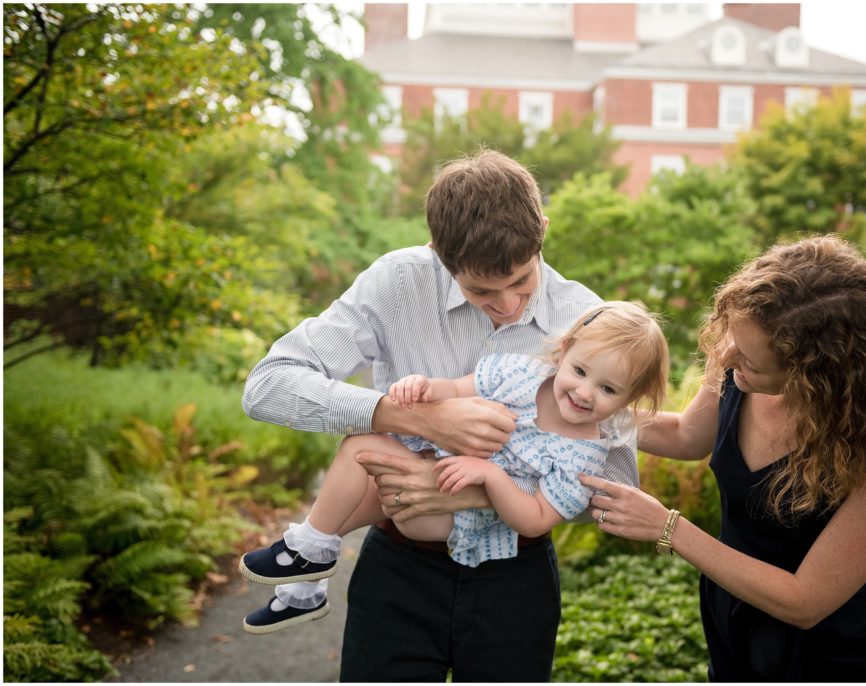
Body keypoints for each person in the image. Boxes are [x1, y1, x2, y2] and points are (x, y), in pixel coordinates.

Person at [240, 150, 640, 681]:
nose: (507, 305)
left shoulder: (588, 319)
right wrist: (416, 420)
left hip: (516, 580)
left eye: (521, 281)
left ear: (542, 229)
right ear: (438, 250)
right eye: (480, 290)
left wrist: (482, 491)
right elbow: (267, 386)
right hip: (399, 570)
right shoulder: (396, 282)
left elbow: (615, 480)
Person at [581, 235, 866, 681]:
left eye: (748, 359)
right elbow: (688, 436)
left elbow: (805, 600)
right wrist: (588, 413)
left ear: (815, 374)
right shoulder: (739, 361)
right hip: (732, 618)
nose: (726, 357)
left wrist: (666, 527)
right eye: (731, 337)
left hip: (827, 650)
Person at [239, 301, 668, 629]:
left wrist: (491, 476)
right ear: (565, 350)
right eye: (580, 371)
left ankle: (308, 552)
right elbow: (458, 389)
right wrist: (423, 387)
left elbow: (536, 520)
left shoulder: (585, 456)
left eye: (608, 389)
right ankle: (307, 581)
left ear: (629, 401)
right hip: (433, 473)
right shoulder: (522, 375)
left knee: (366, 455)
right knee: (362, 458)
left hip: (458, 523)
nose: (585, 392)